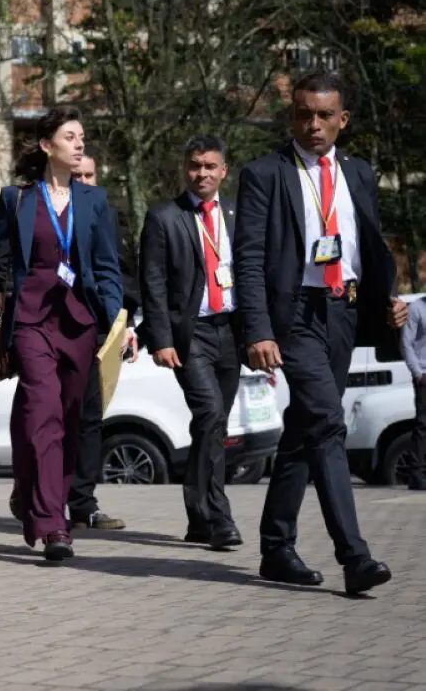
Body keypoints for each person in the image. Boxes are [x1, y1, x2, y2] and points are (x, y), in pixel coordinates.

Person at [234, 70, 408, 595]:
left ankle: (276, 547)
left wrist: (387, 300)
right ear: (292, 117)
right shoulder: (265, 173)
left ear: (342, 120)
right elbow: (248, 259)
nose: (313, 124)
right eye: (304, 114)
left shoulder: (360, 173)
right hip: (295, 316)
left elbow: (367, 246)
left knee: (306, 427)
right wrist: (258, 329)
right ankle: (355, 557)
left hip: (344, 311)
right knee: (329, 422)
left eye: (324, 115)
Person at [0, 106, 124, 561]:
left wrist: (115, 323)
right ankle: (54, 525)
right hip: (31, 321)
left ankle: (32, 489)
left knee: (68, 422)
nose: (80, 144)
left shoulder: (94, 200)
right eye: (70, 136)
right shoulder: (17, 199)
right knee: (43, 414)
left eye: (82, 137)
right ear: (47, 145)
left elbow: (108, 268)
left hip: (80, 325)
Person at [0, 152, 134, 531]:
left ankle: (82, 502)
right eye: (78, 174)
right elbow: (5, 263)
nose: (83, 181)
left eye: (90, 175)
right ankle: (37, 494)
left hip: (90, 325)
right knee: (43, 413)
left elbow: (117, 271)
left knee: (85, 417)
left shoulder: (100, 211)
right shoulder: (28, 206)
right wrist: (12, 300)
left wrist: (122, 322)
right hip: (38, 324)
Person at [139, 134, 243, 549]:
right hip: (190, 334)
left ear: (223, 171)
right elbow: (153, 282)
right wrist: (161, 339)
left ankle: (198, 516)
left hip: (231, 331)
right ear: (186, 169)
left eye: (210, 166)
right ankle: (218, 517)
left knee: (213, 425)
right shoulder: (165, 217)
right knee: (210, 413)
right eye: (195, 166)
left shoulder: (238, 214)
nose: (202, 174)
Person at [402, 296, 426, 491]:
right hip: (424, 376)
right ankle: (417, 474)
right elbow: (406, 343)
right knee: (423, 425)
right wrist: (417, 373)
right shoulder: (417, 308)